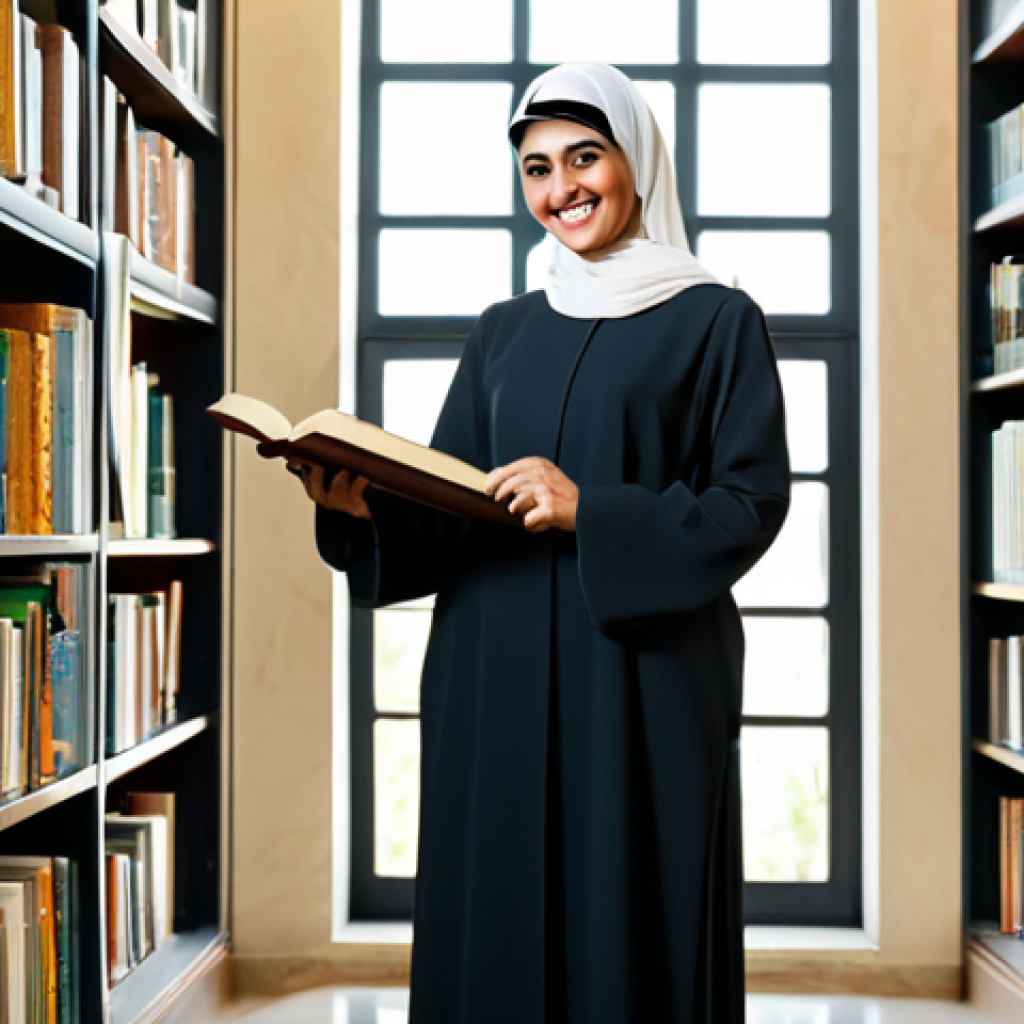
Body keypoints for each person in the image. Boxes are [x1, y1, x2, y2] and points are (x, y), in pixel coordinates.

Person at [300, 62, 790, 1024]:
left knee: (634, 922)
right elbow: (454, 500)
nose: (559, 188)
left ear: (636, 162)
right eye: (535, 168)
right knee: (498, 912)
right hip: (496, 670)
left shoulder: (716, 318)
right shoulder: (502, 331)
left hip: (638, 680)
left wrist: (591, 510)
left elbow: (750, 502)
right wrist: (361, 507)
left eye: (583, 157)